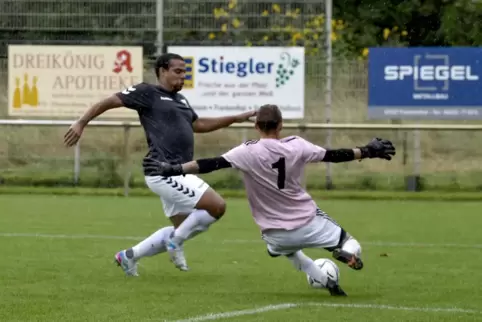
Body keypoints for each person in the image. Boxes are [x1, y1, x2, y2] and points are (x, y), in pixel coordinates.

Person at [144, 104, 396, 296]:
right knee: (349, 241)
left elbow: (210, 164)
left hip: (274, 232)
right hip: (308, 221)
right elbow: (334, 155)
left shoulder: (247, 151)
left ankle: (326, 280)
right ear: (281, 124)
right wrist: (367, 150)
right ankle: (344, 252)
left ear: (257, 126)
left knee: (283, 250)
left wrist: (175, 169)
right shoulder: (298, 145)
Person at [63, 53, 256, 275]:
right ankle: (175, 241)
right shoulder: (147, 93)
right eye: (178, 72)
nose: (182, 76)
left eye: (185, 72)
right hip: (163, 171)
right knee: (216, 207)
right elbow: (109, 101)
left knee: (184, 227)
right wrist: (81, 122)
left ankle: (129, 256)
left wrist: (235, 118)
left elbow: (199, 124)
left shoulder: (181, 100)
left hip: (178, 171)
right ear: (162, 71)